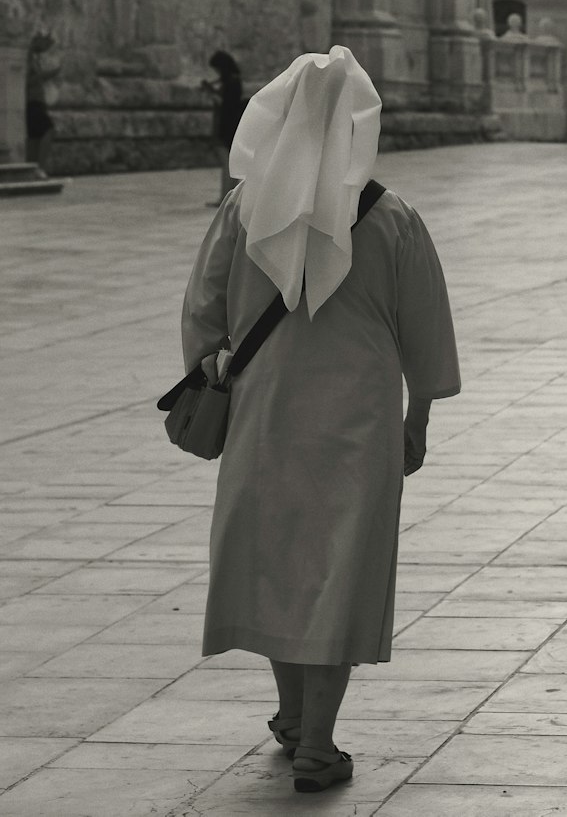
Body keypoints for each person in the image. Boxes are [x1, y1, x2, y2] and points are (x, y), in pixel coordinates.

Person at [181, 47, 461, 794]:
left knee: (277, 556)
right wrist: (420, 413)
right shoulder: (392, 215)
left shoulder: (243, 210)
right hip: (359, 423)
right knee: (340, 563)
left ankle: (292, 715)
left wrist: (214, 364)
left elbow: (202, 318)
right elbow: (425, 325)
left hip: (265, 415)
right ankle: (319, 740)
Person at [201, 50, 244, 206]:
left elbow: (227, 105)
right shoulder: (233, 80)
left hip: (226, 126)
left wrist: (212, 94)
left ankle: (225, 198)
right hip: (232, 125)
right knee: (231, 164)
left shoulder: (231, 82)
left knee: (227, 164)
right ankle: (232, 197)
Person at [25, 32, 60, 173]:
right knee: (48, 130)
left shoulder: (34, 59)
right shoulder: (27, 58)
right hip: (32, 102)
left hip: (37, 102)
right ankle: (40, 168)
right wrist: (46, 74)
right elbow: (26, 81)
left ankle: (32, 169)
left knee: (35, 138)